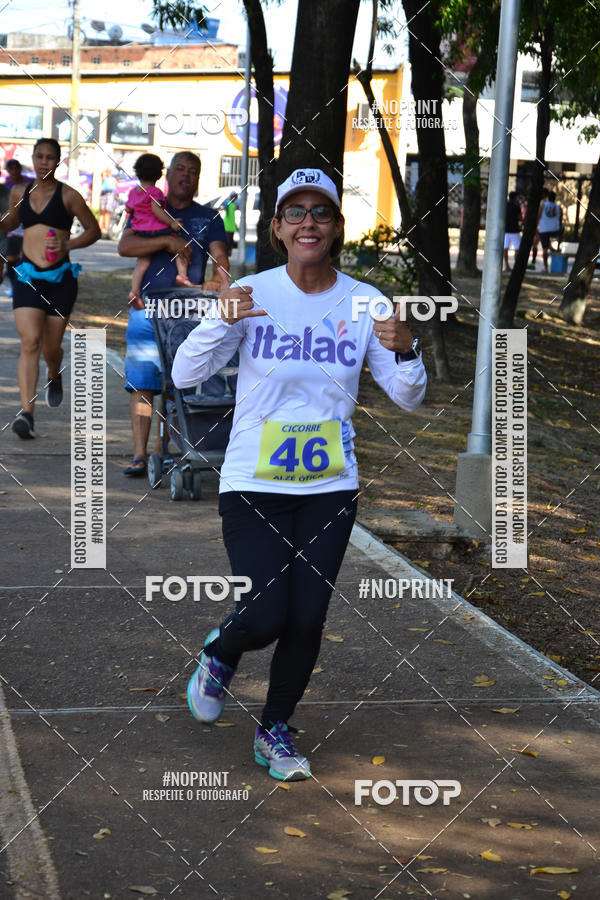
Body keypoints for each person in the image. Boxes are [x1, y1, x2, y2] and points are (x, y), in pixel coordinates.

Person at [172, 168, 427, 780]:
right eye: (296, 212)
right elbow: (182, 377)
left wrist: (405, 348)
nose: (308, 221)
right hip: (253, 482)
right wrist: (220, 320)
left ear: (337, 228)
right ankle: (221, 649)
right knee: (265, 614)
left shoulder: (366, 303)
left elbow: (408, 397)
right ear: (279, 229)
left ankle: (275, 729)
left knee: (308, 617)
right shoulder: (252, 291)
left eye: (321, 212)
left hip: (329, 488)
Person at [117, 150, 229, 476]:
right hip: (147, 307)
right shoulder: (148, 204)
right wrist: (166, 240)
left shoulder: (210, 218)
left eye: (193, 171)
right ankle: (140, 456)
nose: (186, 175)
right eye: (180, 168)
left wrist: (219, 280)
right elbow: (125, 246)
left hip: (189, 311)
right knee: (143, 383)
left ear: (198, 178)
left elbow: (220, 256)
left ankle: (163, 455)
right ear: (168, 174)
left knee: (177, 385)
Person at [1, 138, 100, 439]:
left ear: (58, 162)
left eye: (50, 158)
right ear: (32, 159)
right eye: (39, 157)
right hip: (28, 276)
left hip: (61, 281)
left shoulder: (69, 196)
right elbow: (11, 222)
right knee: (30, 341)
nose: (44, 162)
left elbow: (94, 230)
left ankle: (54, 374)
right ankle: (27, 414)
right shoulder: (20, 192)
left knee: (50, 348)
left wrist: (68, 243)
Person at [126, 153, 191, 304]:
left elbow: (129, 209)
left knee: (142, 263)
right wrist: (172, 223)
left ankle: (134, 291)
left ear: (137, 172)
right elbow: (156, 210)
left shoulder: (133, 192)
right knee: (180, 248)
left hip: (140, 232)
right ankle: (182, 276)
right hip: (156, 230)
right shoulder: (155, 192)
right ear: (159, 175)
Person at [4, 159, 33, 293]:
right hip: (12, 227)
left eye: (17, 168)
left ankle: (22, 285)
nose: (15, 171)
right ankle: (13, 285)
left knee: (24, 256)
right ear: (8, 171)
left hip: (27, 225)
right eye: (12, 169)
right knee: (10, 258)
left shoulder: (29, 182)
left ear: (20, 169)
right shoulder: (6, 186)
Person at [536, 190, 563, 273]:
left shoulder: (543, 205)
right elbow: (560, 219)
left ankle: (546, 268)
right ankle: (558, 247)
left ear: (548, 197)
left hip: (543, 229)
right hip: (554, 230)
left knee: (544, 250)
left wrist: (537, 227)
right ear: (555, 198)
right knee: (562, 229)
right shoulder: (559, 207)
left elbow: (538, 216)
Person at [503, 191, 521, 272]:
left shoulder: (504, 205)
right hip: (514, 230)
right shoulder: (516, 206)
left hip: (505, 230)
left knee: (505, 249)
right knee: (517, 249)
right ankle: (516, 267)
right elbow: (520, 217)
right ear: (515, 198)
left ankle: (507, 266)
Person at [98, 167, 116, 236]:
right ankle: (100, 227)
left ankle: (106, 228)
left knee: (107, 212)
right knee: (102, 212)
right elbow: (102, 174)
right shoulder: (104, 178)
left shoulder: (113, 179)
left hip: (109, 195)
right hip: (104, 195)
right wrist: (104, 172)